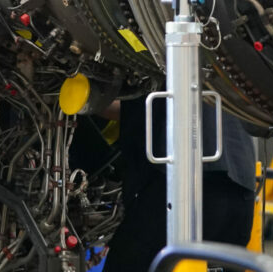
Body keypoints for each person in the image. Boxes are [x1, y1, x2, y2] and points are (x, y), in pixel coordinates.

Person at [102, 97, 257, 272]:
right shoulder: (221, 73)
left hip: (181, 185)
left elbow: (125, 107)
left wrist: (91, 102)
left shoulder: (166, 72)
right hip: (240, 183)